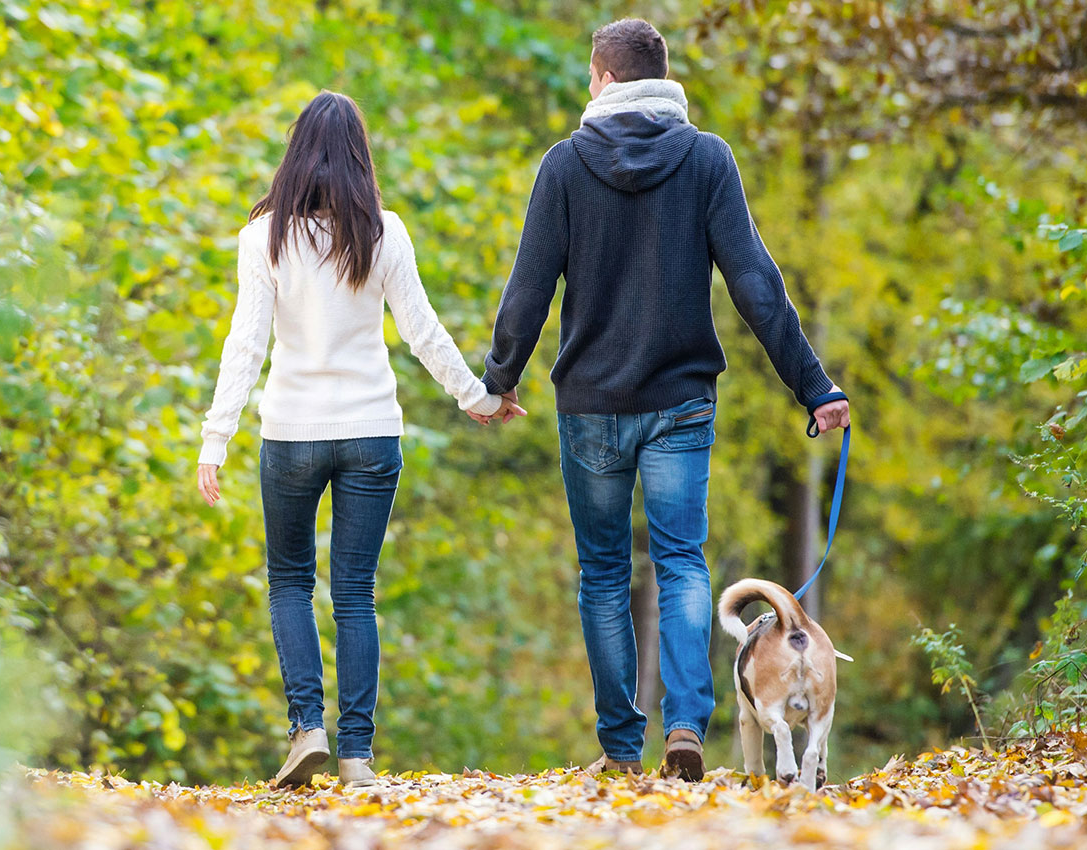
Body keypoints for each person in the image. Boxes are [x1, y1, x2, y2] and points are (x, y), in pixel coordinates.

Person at [477, 18, 852, 780]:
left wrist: (499, 379)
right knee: (682, 561)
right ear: (663, 78)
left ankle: (621, 745)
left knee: (604, 572)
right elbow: (756, 282)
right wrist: (814, 386)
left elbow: (528, 288)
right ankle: (685, 724)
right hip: (680, 401)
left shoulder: (565, 166)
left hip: (590, 406)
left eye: (590, 75)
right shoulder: (706, 159)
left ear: (605, 78)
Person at [195, 91, 516, 788]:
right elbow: (423, 329)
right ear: (358, 156)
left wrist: (215, 437)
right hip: (371, 431)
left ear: (294, 154)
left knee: (288, 581)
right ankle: (356, 755)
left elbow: (245, 345)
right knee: (355, 593)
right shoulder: (383, 232)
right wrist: (477, 397)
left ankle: (306, 727)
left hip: (290, 433)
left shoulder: (263, 238)